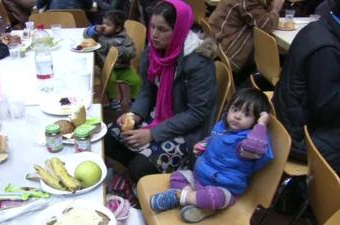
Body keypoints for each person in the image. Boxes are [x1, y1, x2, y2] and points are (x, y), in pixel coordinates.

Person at [105, 0, 218, 183]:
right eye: (152, 27)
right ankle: (143, 176)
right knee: (109, 138)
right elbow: (146, 90)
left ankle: (147, 177)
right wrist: (135, 114)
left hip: (188, 132)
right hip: (158, 116)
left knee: (139, 166)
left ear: (179, 30)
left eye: (163, 29)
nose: (154, 35)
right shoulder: (154, 51)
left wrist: (153, 134)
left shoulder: (198, 62)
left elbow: (197, 114)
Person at [149, 88, 273, 223]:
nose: (237, 116)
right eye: (235, 109)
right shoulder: (223, 127)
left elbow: (254, 148)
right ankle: (199, 204)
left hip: (224, 188)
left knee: (215, 197)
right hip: (200, 178)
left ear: (254, 122)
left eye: (246, 114)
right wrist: (204, 145)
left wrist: (261, 125)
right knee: (178, 176)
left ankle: (180, 198)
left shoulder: (246, 141)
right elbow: (214, 139)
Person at [273, 1, 340, 173]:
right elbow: (327, 110)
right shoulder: (327, 49)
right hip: (302, 138)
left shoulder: (318, 27)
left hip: (290, 122)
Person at [208, 0, 284, 82]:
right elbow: (267, 25)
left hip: (217, 45)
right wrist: (276, 7)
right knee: (285, 62)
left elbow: (263, 13)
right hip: (230, 55)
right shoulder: (248, 2)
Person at [83, 10, 141, 111]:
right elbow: (86, 34)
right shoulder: (100, 35)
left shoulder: (124, 38)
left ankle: (134, 99)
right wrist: (95, 29)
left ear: (118, 28)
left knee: (137, 81)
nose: (104, 26)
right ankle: (113, 99)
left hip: (123, 68)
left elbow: (132, 52)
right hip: (107, 67)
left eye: (108, 24)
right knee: (110, 79)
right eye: (103, 23)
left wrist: (121, 51)